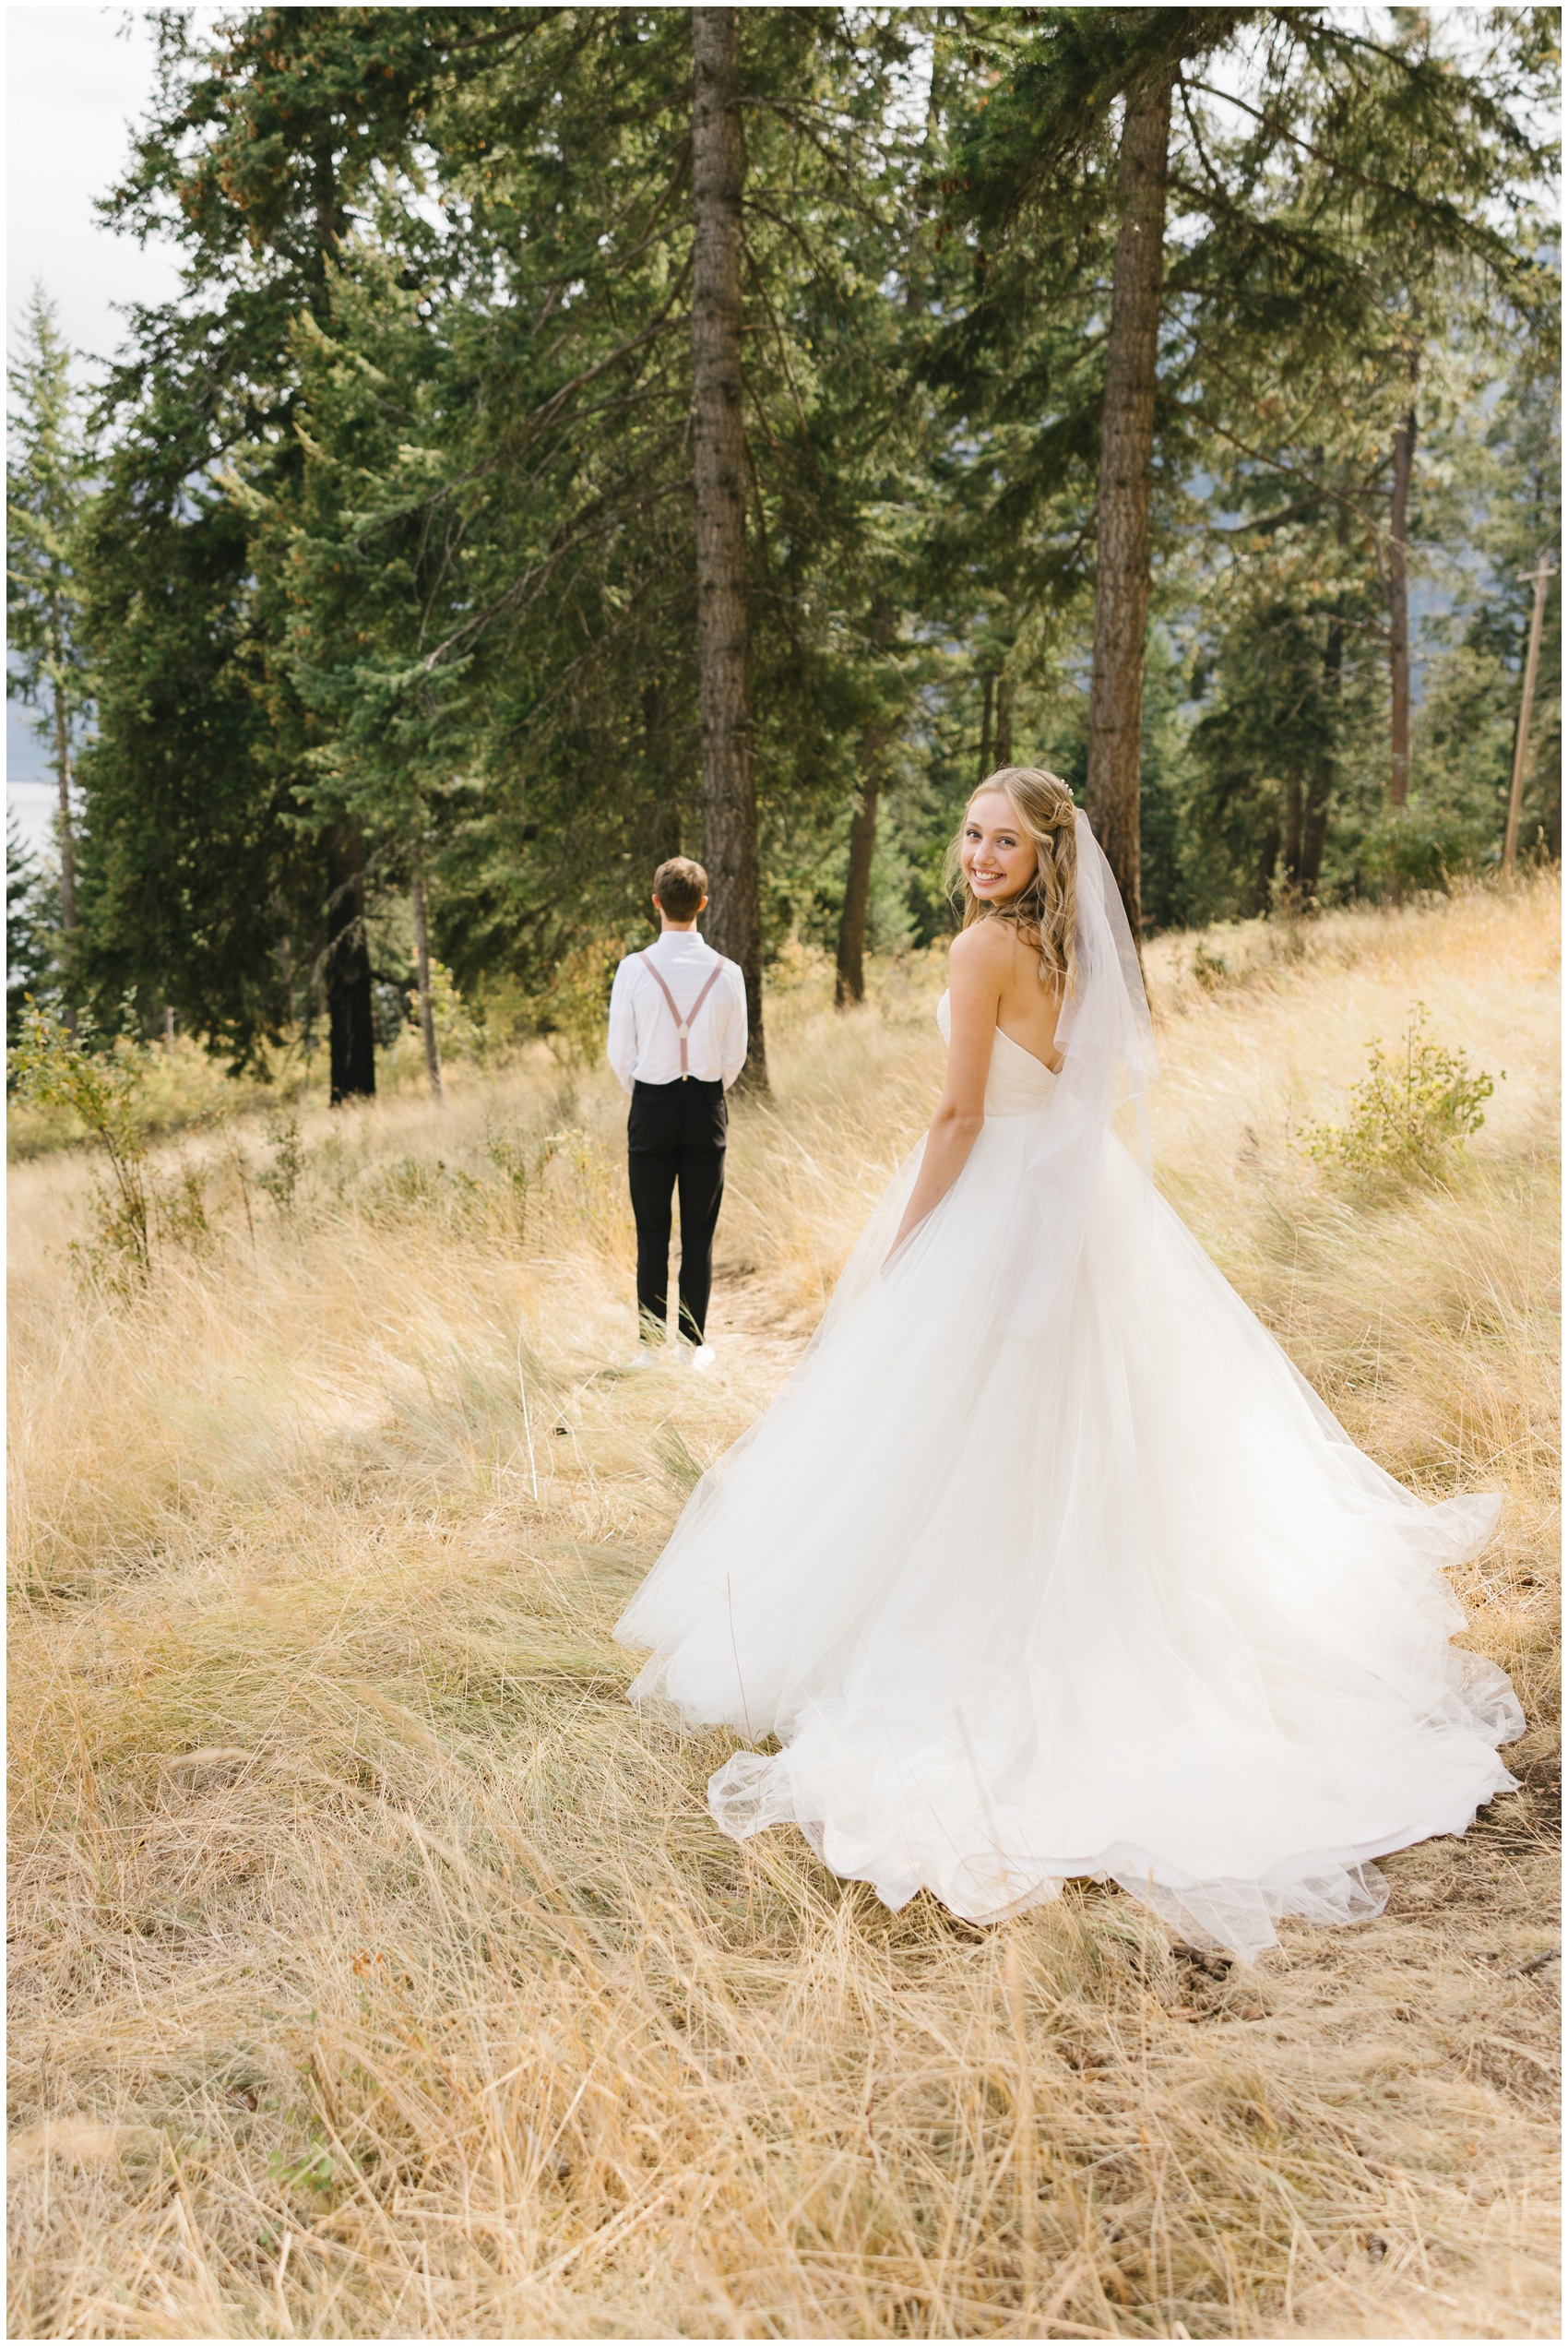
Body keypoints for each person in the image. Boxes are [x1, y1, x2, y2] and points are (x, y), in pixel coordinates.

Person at [614, 768, 1523, 1961]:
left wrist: (908, 1243)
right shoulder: (1078, 954)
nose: (984, 853)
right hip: (1086, 1204)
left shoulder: (983, 950)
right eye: (975, 833)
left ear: (1046, 853)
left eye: (1007, 839)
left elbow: (955, 1117)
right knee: (1087, 1423)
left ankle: (975, 1636)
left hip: (997, 1191)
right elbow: (1083, 1095)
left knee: (948, 1426)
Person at [607, 856, 748, 1371]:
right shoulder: (727, 973)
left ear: (656, 903)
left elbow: (619, 1052)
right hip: (706, 1104)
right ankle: (693, 1346)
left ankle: (650, 1347)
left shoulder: (633, 969)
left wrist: (648, 1090)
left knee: (650, 1229)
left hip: (651, 1104)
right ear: (703, 905)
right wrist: (705, 1088)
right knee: (698, 1230)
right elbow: (736, 1054)